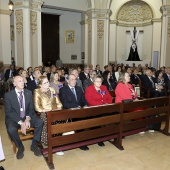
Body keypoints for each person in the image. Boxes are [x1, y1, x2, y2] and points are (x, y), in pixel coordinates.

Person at [5, 76, 43, 159]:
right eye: (19, 81)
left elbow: (30, 108)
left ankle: (33, 145)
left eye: (23, 81)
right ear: (14, 84)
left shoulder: (28, 92)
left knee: (40, 122)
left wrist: (28, 118)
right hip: (14, 119)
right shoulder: (8, 95)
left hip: (26, 116)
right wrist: (21, 122)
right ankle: (20, 147)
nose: (22, 83)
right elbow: (9, 112)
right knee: (11, 129)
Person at [59, 74, 89, 151]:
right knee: (79, 121)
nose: (74, 81)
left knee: (87, 119)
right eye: (72, 79)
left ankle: (83, 140)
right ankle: (79, 141)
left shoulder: (79, 89)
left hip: (79, 111)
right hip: (69, 112)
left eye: (75, 79)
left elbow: (83, 99)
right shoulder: (63, 90)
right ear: (67, 81)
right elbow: (65, 104)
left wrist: (85, 104)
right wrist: (77, 106)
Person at [85, 75, 112, 147]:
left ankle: (110, 134)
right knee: (98, 120)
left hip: (105, 108)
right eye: (98, 81)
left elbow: (109, 98)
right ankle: (99, 138)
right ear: (94, 82)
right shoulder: (89, 89)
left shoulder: (104, 87)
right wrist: (101, 103)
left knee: (112, 117)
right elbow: (89, 101)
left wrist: (107, 104)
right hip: (94, 110)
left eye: (100, 81)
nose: (99, 83)